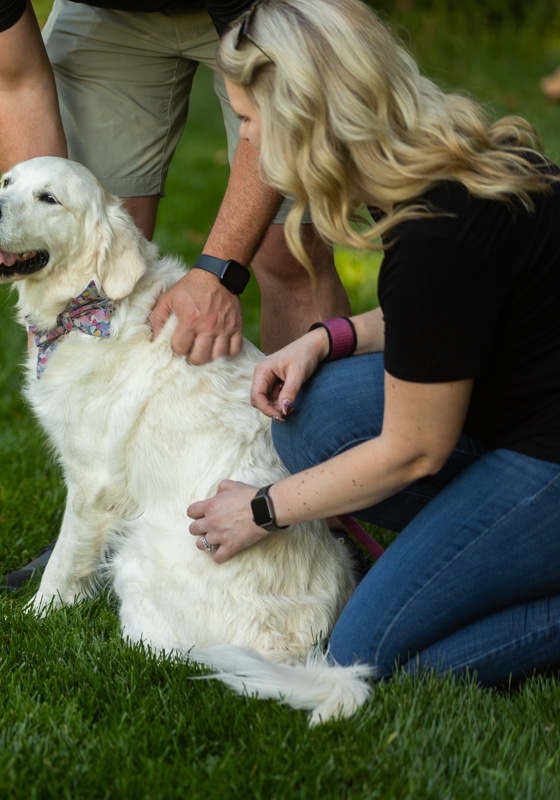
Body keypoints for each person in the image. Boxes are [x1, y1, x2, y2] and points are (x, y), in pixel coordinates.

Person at [187, 0, 560, 684]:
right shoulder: (445, 169)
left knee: (367, 656)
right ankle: (487, 538)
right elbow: (448, 315)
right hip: (526, 408)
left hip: (548, 453)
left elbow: (414, 451)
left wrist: (264, 509)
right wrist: (328, 338)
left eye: (248, 120)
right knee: (314, 415)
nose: (246, 140)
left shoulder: (437, 233)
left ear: (304, 124)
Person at [0, 0, 352, 590]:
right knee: (102, 240)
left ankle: (326, 519)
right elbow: (13, 77)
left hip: (263, 18)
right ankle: (111, 518)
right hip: (107, 19)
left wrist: (218, 271)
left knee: (285, 249)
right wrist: (28, 222)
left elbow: (275, 101)